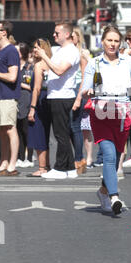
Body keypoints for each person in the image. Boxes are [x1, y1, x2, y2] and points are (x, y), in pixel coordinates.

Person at [81, 25, 131, 215]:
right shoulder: (94, 63)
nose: (112, 44)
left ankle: (103, 191)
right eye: (109, 40)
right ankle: (114, 197)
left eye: (115, 41)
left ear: (120, 43)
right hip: (101, 115)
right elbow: (85, 88)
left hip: (122, 116)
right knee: (109, 156)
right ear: (102, 41)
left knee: (116, 155)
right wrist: (88, 91)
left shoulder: (127, 61)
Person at [34, 21, 80, 179]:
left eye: (57, 33)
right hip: (56, 95)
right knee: (61, 133)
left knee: (61, 134)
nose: (54, 35)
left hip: (63, 95)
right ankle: (70, 168)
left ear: (67, 34)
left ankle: (60, 168)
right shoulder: (62, 50)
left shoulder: (71, 51)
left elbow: (60, 70)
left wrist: (44, 56)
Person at [27, 39, 52, 177]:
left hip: (39, 101)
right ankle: (46, 165)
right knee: (45, 134)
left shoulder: (38, 66)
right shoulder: (49, 63)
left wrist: (32, 108)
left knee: (38, 134)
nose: (34, 50)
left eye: (37, 48)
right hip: (48, 99)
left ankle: (42, 167)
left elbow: (36, 88)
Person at [0, 20, 21, 176]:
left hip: (8, 96)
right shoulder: (0, 51)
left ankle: (13, 164)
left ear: (3, 32)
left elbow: (13, 76)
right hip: (0, 96)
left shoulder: (11, 51)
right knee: (2, 130)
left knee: (10, 129)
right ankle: (4, 161)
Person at [70, 26, 90, 174]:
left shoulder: (82, 53)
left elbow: (84, 76)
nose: (71, 38)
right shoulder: (66, 51)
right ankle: (78, 158)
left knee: (76, 126)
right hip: (68, 90)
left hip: (79, 89)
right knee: (70, 127)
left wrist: (79, 96)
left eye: (73, 36)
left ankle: (79, 159)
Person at [15, 42, 34, 168]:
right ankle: (20, 157)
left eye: (17, 51)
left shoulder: (29, 67)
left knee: (27, 130)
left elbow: (30, 86)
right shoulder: (14, 66)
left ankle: (29, 157)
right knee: (18, 130)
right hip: (16, 99)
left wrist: (18, 83)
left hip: (26, 99)